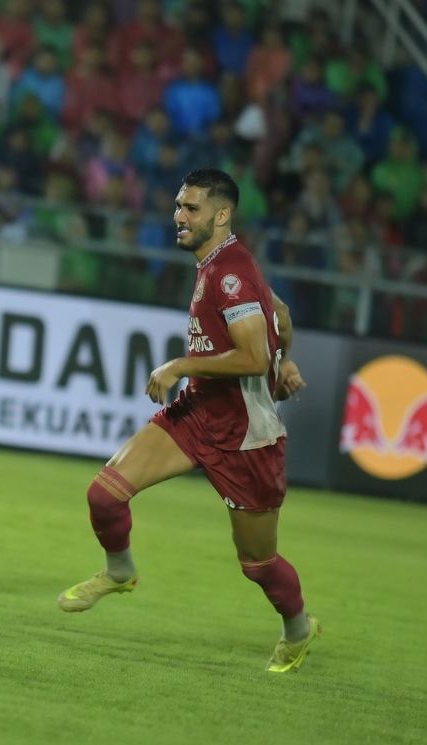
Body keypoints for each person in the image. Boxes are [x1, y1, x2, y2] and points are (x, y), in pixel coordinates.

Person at [56, 169, 320, 673]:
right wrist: (282, 361)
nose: (179, 216)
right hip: (199, 415)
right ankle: (120, 572)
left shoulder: (230, 273)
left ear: (222, 216)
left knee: (258, 564)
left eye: (191, 208)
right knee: (104, 494)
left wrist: (181, 364)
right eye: (178, 205)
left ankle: (298, 628)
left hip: (246, 438)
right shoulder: (223, 264)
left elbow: (248, 355)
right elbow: (279, 316)